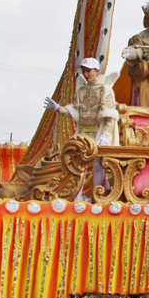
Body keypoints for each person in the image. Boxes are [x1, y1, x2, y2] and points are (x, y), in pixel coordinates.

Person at [44, 57, 119, 200]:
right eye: (84, 71)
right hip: (83, 134)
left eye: (88, 71)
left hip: (98, 133)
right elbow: (76, 112)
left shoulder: (105, 89)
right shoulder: (82, 90)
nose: (85, 74)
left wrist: (105, 135)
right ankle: (77, 196)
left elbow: (110, 116)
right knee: (78, 166)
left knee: (98, 165)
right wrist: (58, 109)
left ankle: (95, 196)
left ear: (97, 71)